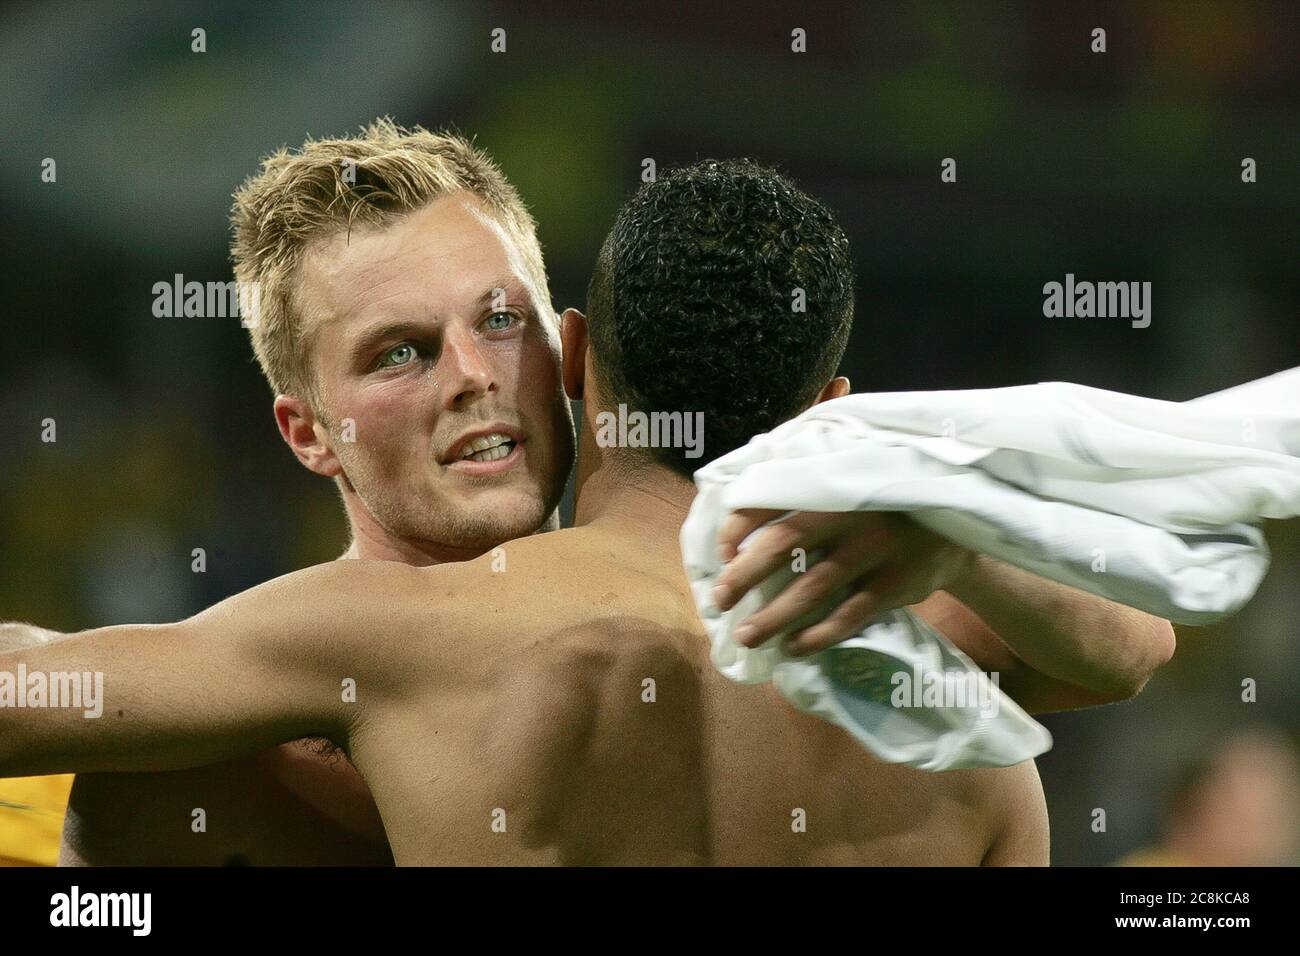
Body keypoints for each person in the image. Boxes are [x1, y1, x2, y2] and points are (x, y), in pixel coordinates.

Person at [4, 158, 1154, 864]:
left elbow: (1121, 642)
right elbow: (1123, 637)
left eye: (498, 321)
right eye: (401, 351)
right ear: (308, 430)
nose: (470, 372)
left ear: (569, 353)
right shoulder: (199, 761)